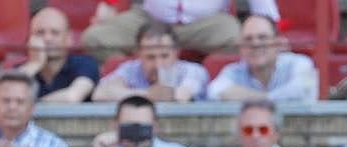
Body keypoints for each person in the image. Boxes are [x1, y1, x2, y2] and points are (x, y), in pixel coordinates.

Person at [82, 0, 277, 61]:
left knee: (242, 41)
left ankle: (211, 91)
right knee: (95, 38)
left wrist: (269, 24)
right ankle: (137, 77)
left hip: (207, 22)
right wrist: (108, 5)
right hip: (150, 19)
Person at [204, 14, 318, 102]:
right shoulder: (233, 71)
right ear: (241, 46)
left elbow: (303, 90)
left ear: (277, 42)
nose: (255, 44)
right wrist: (268, 99)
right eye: (248, 39)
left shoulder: (298, 63)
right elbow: (214, 92)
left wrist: (261, 100)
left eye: (262, 37)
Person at [92, 23, 210, 103]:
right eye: (150, 57)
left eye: (164, 56)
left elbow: (181, 96)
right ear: (139, 54)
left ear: (176, 52)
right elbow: (100, 94)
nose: (158, 64)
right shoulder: (130, 69)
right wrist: (147, 94)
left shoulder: (193, 70)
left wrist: (130, 95)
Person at [89, 96, 192, 147]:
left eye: (143, 127)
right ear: (116, 125)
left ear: (155, 126)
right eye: (129, 127)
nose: (136, 133)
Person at [18, 7, 100, 103]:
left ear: (69, 39)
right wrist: (34, 64)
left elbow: (72, 97)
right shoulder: (22, 70)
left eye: (55, 33)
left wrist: (29, 106)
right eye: (40, 33)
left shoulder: (86, 64)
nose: (47, 38)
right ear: (29, 40)